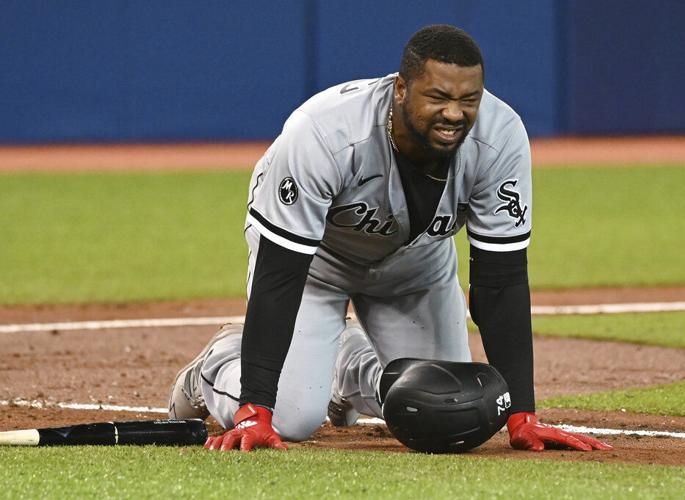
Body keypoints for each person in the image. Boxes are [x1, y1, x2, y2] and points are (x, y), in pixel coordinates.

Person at [168, 24, 611, 453]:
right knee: (289, 417)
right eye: (438, 96)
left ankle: (349, 366)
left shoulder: (500, 138)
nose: (455, 113)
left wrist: (522, 416)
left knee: (454, 408)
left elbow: (502, 280)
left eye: (468, 100)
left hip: (416, 269)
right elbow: (280, 274)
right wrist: (254, 407)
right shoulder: (326, 133)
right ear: (400, 89)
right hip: (314, 265)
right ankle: (219, 364)